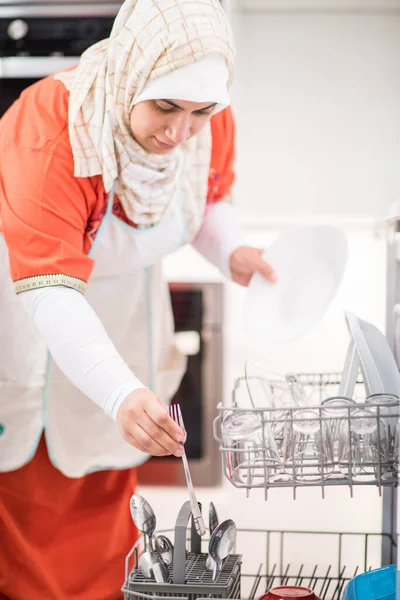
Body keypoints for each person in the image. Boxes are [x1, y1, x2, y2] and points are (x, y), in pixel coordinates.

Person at [0, 0, 276, 598]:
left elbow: (205, 198)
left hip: (122, 329)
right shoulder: (50, 125)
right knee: (29, 531)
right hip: (34, 315)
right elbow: (49, 287)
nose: (179, 131)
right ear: (130, 78)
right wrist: (120, 392)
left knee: (113, 532)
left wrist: (233, 251)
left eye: (200, 111)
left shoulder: (208, 115)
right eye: (165, 106)